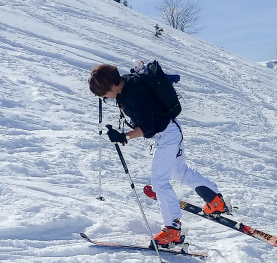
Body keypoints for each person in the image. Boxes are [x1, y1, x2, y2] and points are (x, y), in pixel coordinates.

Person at [89, 63, 226, 245]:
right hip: (169, 131)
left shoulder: (133, 93)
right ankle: (215, 200)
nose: (105, 98)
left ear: (112, 86)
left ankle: (172, 229)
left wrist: (125, 137)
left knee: (159, 181)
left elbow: (148, 127)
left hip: (167, 135)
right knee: (178, 172)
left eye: (104, 94)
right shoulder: (127, 85)